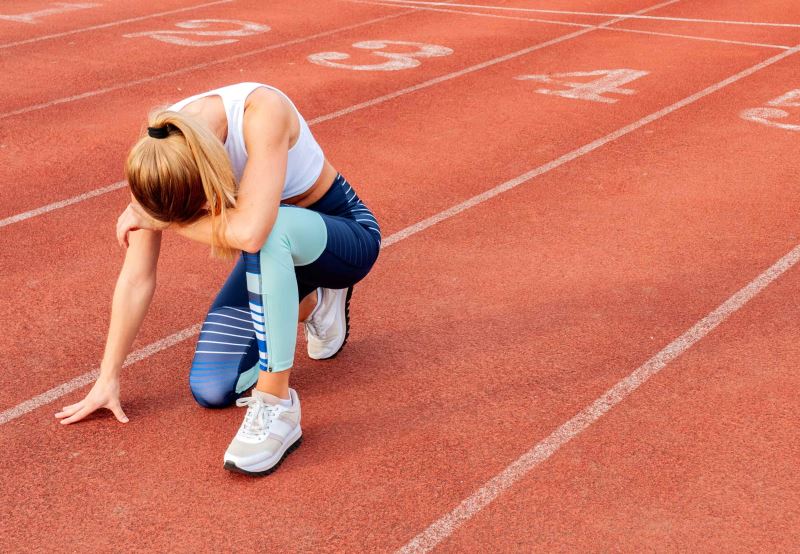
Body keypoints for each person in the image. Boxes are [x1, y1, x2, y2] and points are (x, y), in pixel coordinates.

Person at [54, 82, 381, 476]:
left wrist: (168, 222)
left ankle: (277, 406)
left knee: (267, 232)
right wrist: (108, 376)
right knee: (212, 388)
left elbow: (250, 233)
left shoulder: (262, 112)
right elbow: (138, 276)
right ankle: (314, 303)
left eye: (199, 209)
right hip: (273, 259)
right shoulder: (161, 150)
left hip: (343, 236)